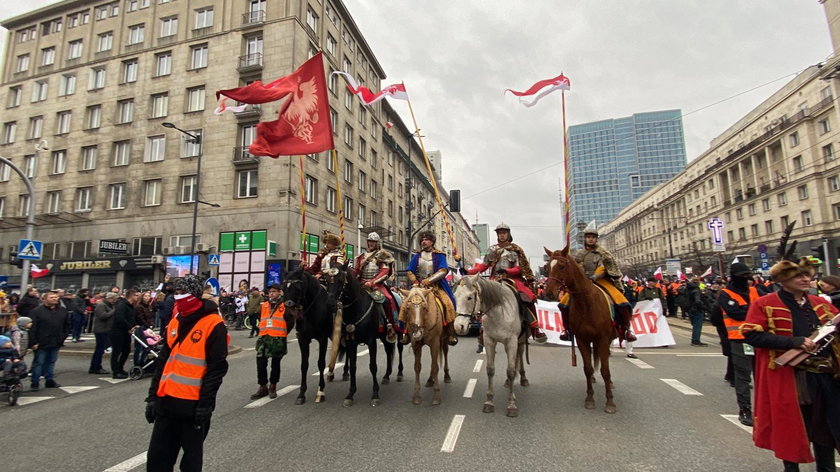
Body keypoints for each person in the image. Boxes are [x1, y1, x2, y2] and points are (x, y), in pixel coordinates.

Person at [742, 258, 840, 471]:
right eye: (799, 276)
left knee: (826, 425)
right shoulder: (765, 303)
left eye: (808, 275)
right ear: (782, 280)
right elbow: (751, 335)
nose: (806, 279)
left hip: (825, 375)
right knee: (792, 426)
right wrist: (793, 342)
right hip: (791, 376)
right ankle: (791, 468)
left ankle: (827, 468)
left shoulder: (820, 303)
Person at [146, 275, 229, 472]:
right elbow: (162, 362)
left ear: (196, 295)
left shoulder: (214, 324)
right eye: (175, 293)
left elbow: (216, 370)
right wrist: (152, 397)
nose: (178, 297)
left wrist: (205, 405)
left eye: (183, 293)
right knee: (157, 460)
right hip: (166, 403)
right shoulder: (175, 321)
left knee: (191, 463)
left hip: (193, 407)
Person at [466, 223, 547, 343]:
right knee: (482, 297)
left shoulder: (515, 250)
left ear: (508, 234)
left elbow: (519, 268)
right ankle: (483, 329)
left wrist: (506, 270)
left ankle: (534, 327)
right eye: (499, 233)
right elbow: (484, 265)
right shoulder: (492, 249)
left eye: (504, 233)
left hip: (512, 279)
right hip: (495, 279)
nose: (501, 235)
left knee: (527, 297)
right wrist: (469, 271)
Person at [565, 229, 636, 342]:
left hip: (601, 281)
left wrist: (596, 276)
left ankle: (627, 329)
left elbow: (605, 267)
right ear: (585, 239)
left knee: (622, 301)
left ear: (596, 239)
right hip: (583, 283)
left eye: (593, 237)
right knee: (563, 303)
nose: (591, 239)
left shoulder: (603, 253)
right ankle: (566, 329)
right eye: (588, 237)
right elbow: (575, 268)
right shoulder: (579, 254)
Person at [718, 262, 761, 427]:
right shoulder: (725, 294)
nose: (745, 279)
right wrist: (753, 310)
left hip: (760, 338)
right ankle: (745, 410)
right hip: (738, 338)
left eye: (747, 275)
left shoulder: (754, 291)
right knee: (742, 376)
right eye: (742, 276)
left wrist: (748, 310)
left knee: (762, 376)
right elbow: (734, 313)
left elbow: (764, 309)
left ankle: (764, 410)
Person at [404, 231, 458, 346]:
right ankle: (405, 331)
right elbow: (409, 270)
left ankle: (450, 331)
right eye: (422, 240)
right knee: (405, 304)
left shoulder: (440, 255)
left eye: (426, 240)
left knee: (449, 302)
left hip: (436, 286)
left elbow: (443, 270)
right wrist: (415, 281)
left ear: (432, 242)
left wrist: (429, 280)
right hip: (418, 287)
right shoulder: (417, 256)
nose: (423, 242)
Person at [354, 232, 399, 343]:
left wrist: (372, 282)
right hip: (361, 285)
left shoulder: (382, 255)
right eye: (369, 241)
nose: (371, 243)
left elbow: (385, 272)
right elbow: (356, 272)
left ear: (377, 243)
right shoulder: (361, 257)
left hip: (377, 286)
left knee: (388, 300)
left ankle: (390, 325)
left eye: (373, 242)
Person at [250, 284, 290, 400]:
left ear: (280, 292)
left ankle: (273, 386)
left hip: (277, 337)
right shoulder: (265, 305)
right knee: (261, 363)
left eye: (274, 291)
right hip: (264, 337)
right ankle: (263, 386)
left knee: (275, 364)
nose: (271, 294)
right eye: (270, 292)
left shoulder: (285, 305)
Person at [28, 291, 70, 391]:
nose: (55, 299)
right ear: (45, 299)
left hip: (56, 340)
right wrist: (33, 342)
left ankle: (49, 380)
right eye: (51, 297)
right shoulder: (36, 311)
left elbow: (67, 325)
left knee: (51, 361)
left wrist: (63, 336)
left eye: (56, 297)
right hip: (41, 341)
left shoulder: (63, 311)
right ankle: (35, 382)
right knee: (39, 362)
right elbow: (32, 328)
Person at [110, 290, 140, 379]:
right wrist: (130, 327)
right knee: (117, 351)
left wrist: (136, 325)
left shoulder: (130, 306)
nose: (138, 297)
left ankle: (120, 368)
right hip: (117, 332)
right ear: (131, 296)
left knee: (126, 351)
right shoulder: (122, 305)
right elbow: (120, 318)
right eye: (136, 295)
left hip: (126, 332)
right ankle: (116, 372)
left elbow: (131, 318)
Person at [89, 292, 118, 375]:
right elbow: (102, 316)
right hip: (100, 330)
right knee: (99, 349)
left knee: (100, 349)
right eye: (114, 299)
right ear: (109, 298)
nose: (114, 301)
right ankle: (96, 367)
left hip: (106, 329)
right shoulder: (101, 305)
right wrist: (113, 311)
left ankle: (94, 366)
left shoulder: (110, 305)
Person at [683, 278, 708, 347]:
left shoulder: (687, 289)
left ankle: (695, 340)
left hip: (690, 309)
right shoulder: (696, 290)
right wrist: (703, 306)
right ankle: (696, 340)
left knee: (695, 325)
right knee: (698, 325)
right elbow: (697, 301)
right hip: (697, 309)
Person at [134, 291, 155, 368]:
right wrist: (148, 325)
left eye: (148, 296)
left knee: (147, 346)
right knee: (140, 347)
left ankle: (143, 361)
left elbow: (151, 317)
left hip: (148, 327)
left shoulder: (148, 306)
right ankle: (138, 363)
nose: (147, 297)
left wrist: (151, 325)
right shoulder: (139, 307)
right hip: (141, 328)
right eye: (145, 296)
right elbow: (141, 318)